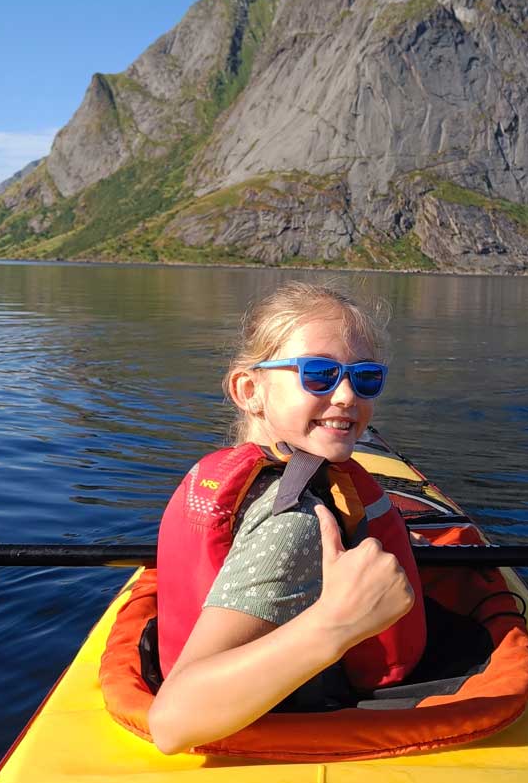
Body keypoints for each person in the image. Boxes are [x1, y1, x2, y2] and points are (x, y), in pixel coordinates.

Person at [148, 281, 425, 754]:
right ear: (250, 389)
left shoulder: (243, 482)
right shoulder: (293, 520)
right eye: (319, 374)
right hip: (278, 737)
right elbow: (172, 722)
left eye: (365, 378)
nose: (346, 395)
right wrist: (338, 623)